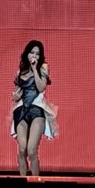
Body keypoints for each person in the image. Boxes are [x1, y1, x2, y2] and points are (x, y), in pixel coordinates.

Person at [10, 40, 57, 176]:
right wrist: (15, 96)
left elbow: (41, 87)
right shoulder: (20, 72)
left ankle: (36, 182)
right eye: (32, 53)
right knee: (22, 150)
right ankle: (23, 180)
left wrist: (35, 69)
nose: (34, 56)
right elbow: (17, 94)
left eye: (37, 54)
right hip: (21, 111)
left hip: (36, 110)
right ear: (27, 54)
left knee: (31, 150)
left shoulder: (43, 67)